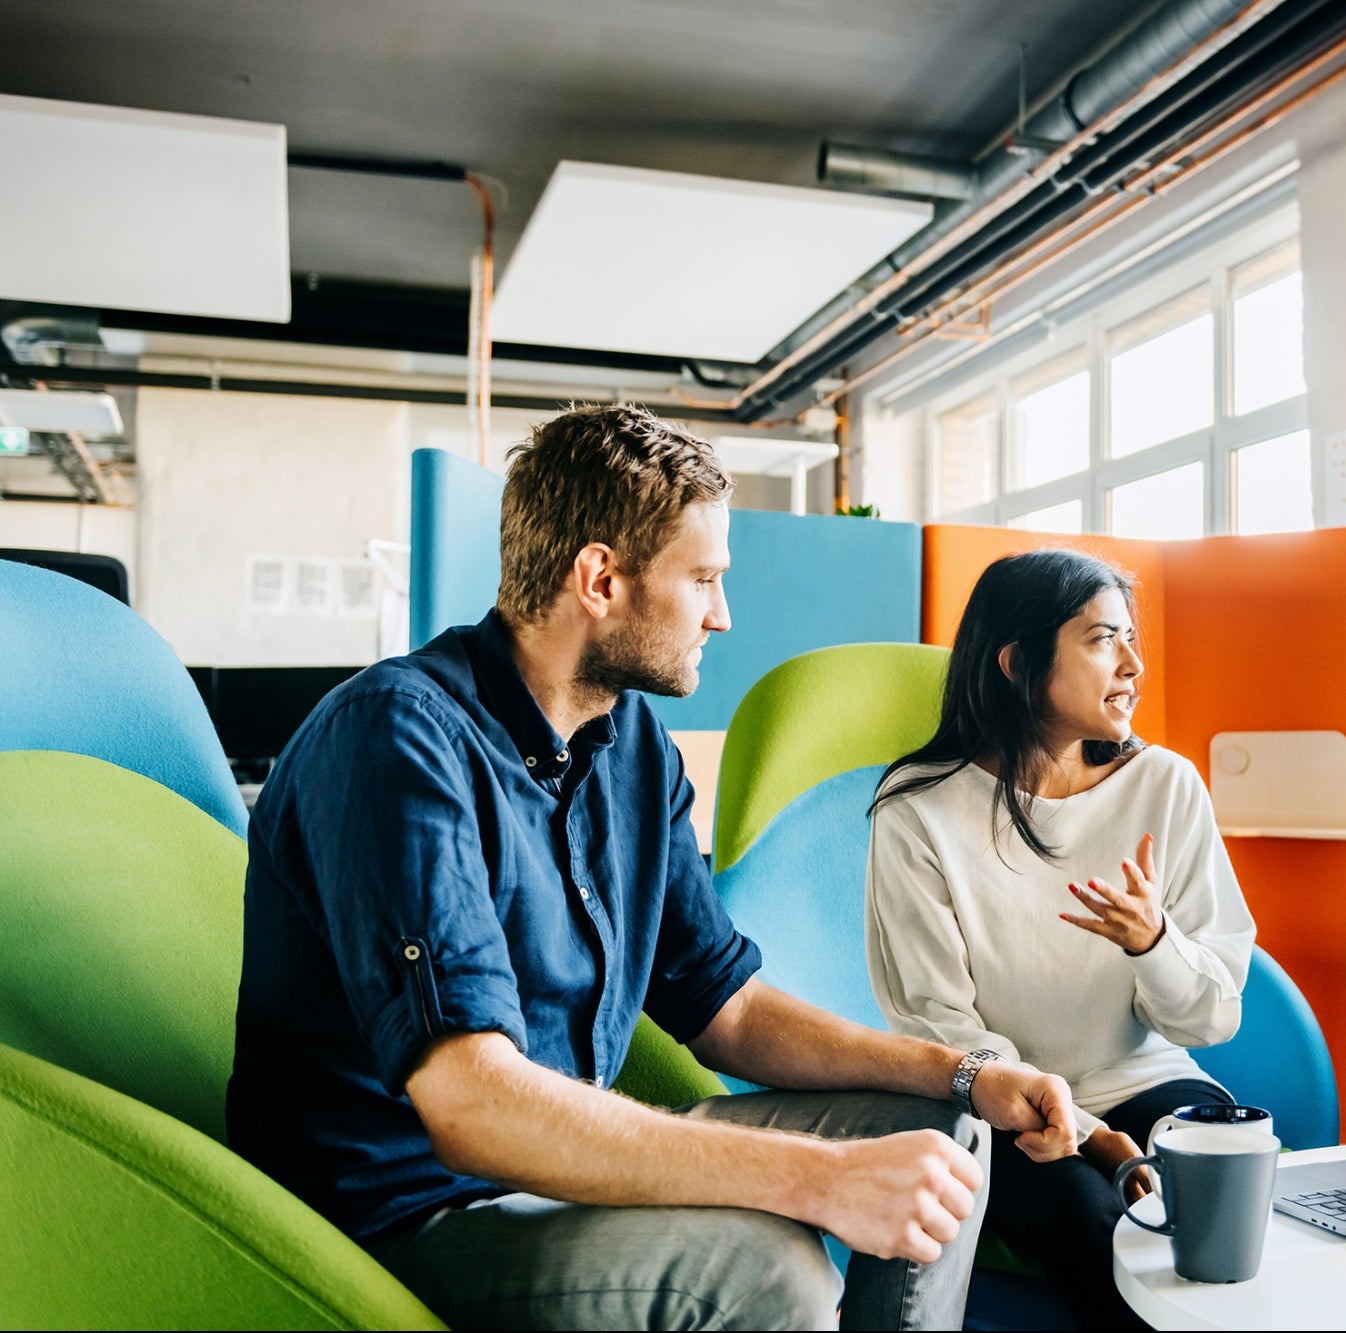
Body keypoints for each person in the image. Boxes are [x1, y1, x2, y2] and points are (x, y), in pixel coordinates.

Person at [227, 405, 1080, 1332]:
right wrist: (824, 1180)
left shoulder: (629, 741)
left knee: (944, 1137)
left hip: (564, 1167)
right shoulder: (397, 737)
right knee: (774, 1270)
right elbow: (473, 1105)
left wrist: (960, 1071)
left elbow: (729, 1007)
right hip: (410, 1218)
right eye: (704, 578)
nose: (723, 612)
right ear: (600, 578)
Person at [865, 549, 1255, 1327]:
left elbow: (1212, 1017)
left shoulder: (1166, 785)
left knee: (1223, 1199)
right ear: (1017, 662)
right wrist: (1091, 1137)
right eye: (1104, 639)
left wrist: (1154, 943)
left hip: (1145, 1076)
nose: (1135, 664)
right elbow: (938, 1024)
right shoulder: (917, 812)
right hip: (995, 1103)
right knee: (1097, 1221)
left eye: (1132, 638)